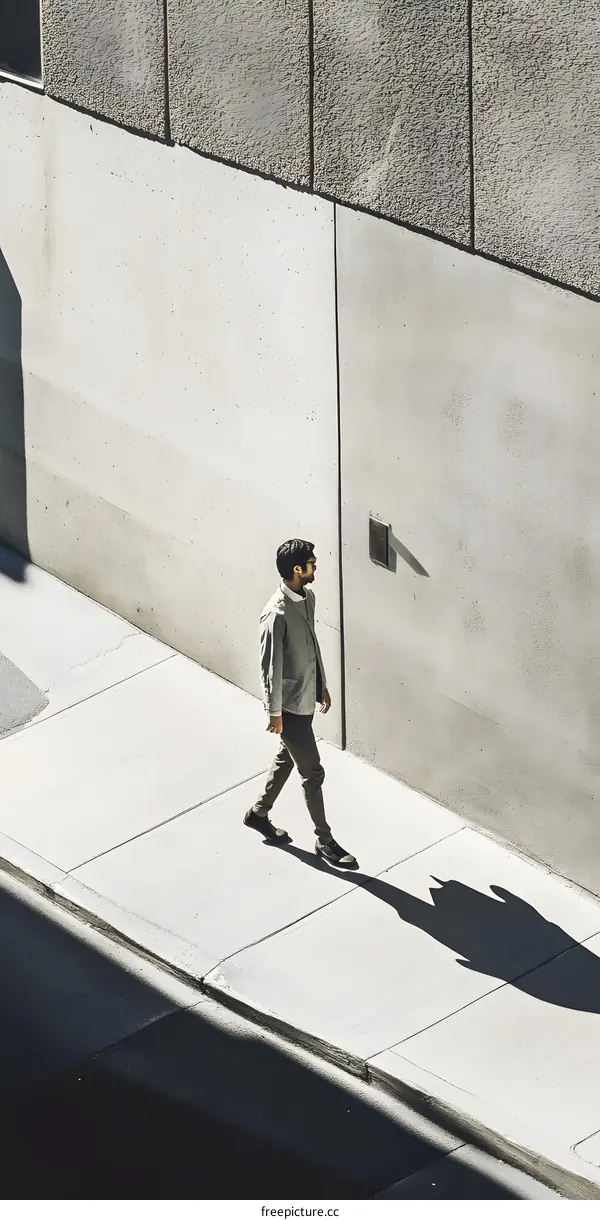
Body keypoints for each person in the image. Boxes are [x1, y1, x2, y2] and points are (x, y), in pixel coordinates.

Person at [244, 539, 357, 868]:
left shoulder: (307, 597)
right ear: (297, 569)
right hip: (289, 708)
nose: (315, 567)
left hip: (307, 697)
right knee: (313, 772)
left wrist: (321, 685)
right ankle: (325, 841)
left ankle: (258, 813)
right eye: (311, 563)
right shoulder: (275, 615)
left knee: (287, 758)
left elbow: (311, 644)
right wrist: (274, 712)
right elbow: (271, 668)